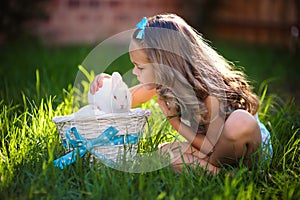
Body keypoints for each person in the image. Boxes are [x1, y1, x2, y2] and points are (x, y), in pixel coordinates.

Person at [90, 13, 272, 174]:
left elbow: (210, 147)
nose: (135, 72)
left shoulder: (208, 93)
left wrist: (175, 123)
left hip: (244, 150)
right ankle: (222, 172)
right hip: (211, 152)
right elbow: (123, 101)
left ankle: (229, 173)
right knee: (164, 153)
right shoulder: (163, 82)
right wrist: (107, 86)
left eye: (140, 67)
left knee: (238, 121)